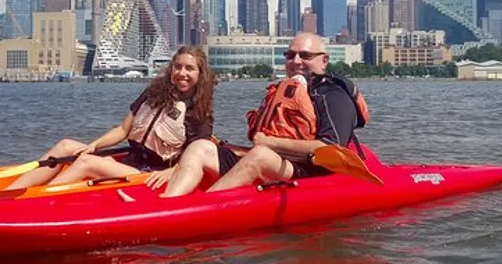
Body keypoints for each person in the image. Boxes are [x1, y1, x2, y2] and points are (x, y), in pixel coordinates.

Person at [157, 32, 369, 196]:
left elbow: (330, 149)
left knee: (261, 155)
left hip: (313, 171)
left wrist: (269, 142)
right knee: (200, 147)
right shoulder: (283, 89)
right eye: (290, 55)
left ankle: (198, 210)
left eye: (305, 55)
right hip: (278, 161)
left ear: (324, 60)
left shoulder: (333, 95)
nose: (296, 61)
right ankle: (169, 203)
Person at [5, 46, 217, 189]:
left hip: (150, 173)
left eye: (190, 68)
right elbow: (123, 130)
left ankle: (38, 199)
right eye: (178, 67)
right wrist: (94, 145)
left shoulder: (199, 115)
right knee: (66, 146)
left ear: (200, 74)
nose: (182, 73)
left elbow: (194, 161)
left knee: (86, 163)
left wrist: (171, 173)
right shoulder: (155, 92)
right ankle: (6, 194)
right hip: (131, 161)